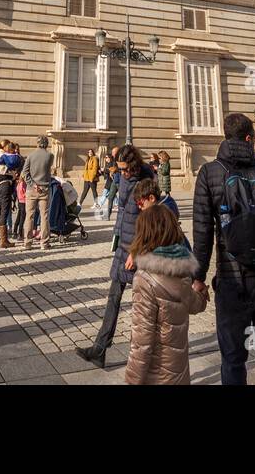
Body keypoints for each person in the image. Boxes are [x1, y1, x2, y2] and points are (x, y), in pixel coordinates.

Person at [191, 114, 255, 386]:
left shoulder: (209, 172)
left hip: (232, 280)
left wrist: (198, 277)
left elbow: (202, 233)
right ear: (249, 139)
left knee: (234, 359)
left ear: (225, 136)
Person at [75, 144, 156, 369]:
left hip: (138, 250)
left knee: (145, 304)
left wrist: (136, 251)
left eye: (125, 169)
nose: (122, 173)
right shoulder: (123, 178)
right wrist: (118, 238)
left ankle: (149, 353)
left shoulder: (145, 181)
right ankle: (100, 349)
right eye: (119, 170)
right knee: (114, 298)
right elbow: (123, 211)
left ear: (133, 165)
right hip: (124, 246)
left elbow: (149, 220)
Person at [123, 204, 207, 385]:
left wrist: (132, 381)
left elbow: (141, 342)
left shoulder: (145, 279)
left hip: (155, 374)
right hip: (178, 372)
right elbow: (194, 304)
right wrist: (202, 294)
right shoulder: (182, 271)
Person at [21, 136, 54, 251]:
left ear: (37, 143)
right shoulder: (50, 156)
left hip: (32, 189)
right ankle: (44, 243)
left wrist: (33, 184)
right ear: (46, 144)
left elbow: (24, 173)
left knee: (29, 216)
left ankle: (28, 242)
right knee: (44, 216)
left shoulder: (30, 156)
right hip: (44, 189)